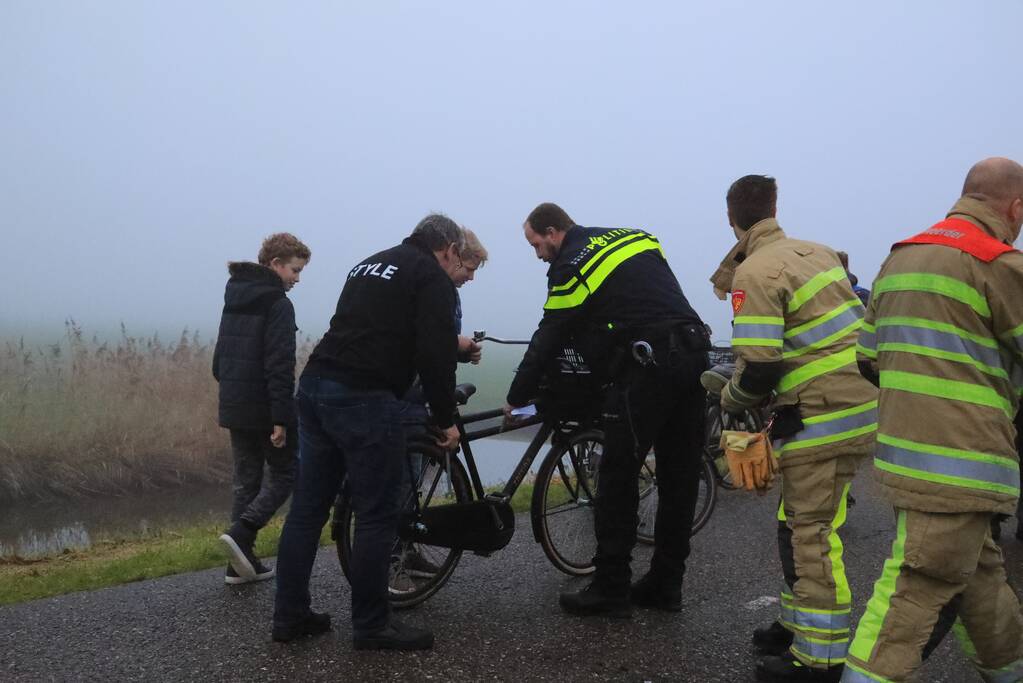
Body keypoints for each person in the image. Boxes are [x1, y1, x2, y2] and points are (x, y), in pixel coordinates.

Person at [842, 157, 1023, 683]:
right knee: (912, 595)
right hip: (969, 463)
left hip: (907, 457)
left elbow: (867, 356)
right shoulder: (999, 264)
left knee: (980, 578)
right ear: (1014, 207)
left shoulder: (900, 259)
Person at [505, 202, 710, 618]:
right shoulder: (636, 236)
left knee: (617, 478)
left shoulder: (573, 262)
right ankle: (666, 585)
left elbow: (551, 332)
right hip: (693, 354)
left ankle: (611, 588)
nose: (537, 254)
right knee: (680, 477)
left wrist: (517, 395)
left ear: (553, 231)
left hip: (648, 366)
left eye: (536, 243)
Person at [710, 175, 877, 682]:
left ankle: (820, 659)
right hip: (862, 402)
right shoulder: (819, 252)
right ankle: (794, 623)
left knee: (812, 533)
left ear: (731, 218)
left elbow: (758, 368)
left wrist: (728, 397)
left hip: (822, 415)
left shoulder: (755, 272)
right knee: (796, 518)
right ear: (774, 208)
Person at [272, 214, 463, 650]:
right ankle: (372, 627)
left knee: (307, 510)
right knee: (377, 515)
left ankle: (290, 616)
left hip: (316, 384)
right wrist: (444, 417)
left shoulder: (368, 263)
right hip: (364, 395)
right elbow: (435, 353)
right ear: (448, 248)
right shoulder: (431, 276)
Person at [391, 226, 487, 592]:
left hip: (419, 394)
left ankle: (407, 549)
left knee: (412, 481)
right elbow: (426, 340)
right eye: (469, 267)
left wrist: (457, 348)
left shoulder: (442, 288)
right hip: (408, 395)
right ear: (452, 254)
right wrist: (454, 344)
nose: (471, 277)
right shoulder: (431, 285)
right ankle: (391, 561)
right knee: (401, 480)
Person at [213, 232, 310, 585]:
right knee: (287, 474)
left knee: (246, 482)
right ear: (275, 265)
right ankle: (242, 533)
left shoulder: (235, 297)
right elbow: (279, 364)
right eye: (295, 271)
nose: (297, 279)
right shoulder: (278, 304)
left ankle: (239, 564)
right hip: (266, 407)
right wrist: (281, 418)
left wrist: (233, 393)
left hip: (235, 404)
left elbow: (218, 361)